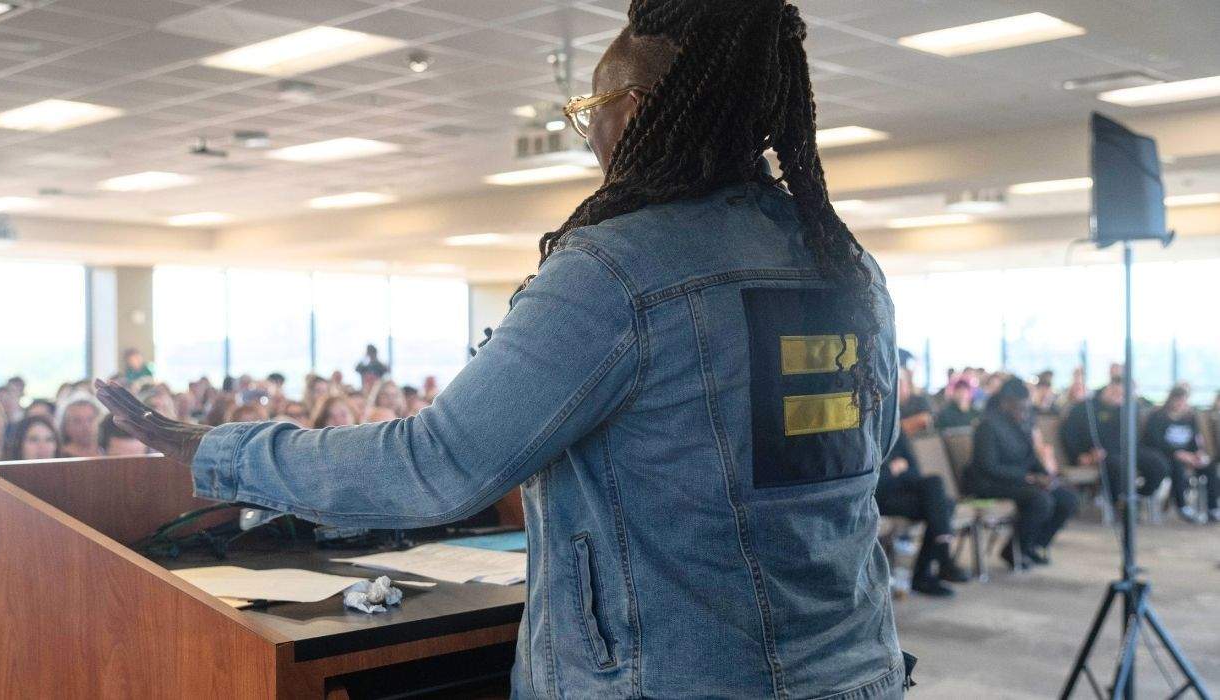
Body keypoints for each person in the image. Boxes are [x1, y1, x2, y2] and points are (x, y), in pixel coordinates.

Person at [95, 2, 907, 697]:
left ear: (640, 107)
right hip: (851, 666)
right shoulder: (846, 263)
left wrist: (223, 451)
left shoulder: (616, 270)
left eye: (593, 100)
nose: (591, 125)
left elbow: (434, 466)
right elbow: (866, 452)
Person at [968, 379, 1079, 568]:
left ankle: (1034, 545)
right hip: (991, 484)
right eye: (1019, 408)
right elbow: (988, 467)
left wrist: (1045, 475)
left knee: (1068, 499)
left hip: (1020, 481)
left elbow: (1030, 458)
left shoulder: (1021, 424)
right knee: (1041, 501)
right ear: (1005, 404)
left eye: (1026, 408)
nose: (1023, 413)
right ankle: (1014, 550)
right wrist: (1028, 478)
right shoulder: (987, 426)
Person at [876, 376, 968, 596]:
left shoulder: (894, 428)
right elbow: (871, 479)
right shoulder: (870, 430)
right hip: (880, 497)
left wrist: (898, 470)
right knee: (942, 506)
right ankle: (928, 570)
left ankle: (934, 565)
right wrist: (892, 469)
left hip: (902, 491)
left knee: (937, 489)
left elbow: (914, 471)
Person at [1060, 381, 1169, 506]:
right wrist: (1079, 455)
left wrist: (1124, 408)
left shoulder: (1126, 409)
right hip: (1098, 454)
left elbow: (1132, 436)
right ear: (1107, 389)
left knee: (1158, 463)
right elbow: (1069, 435)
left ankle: (1139, 495)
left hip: (1126, 449)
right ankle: (1119, 504)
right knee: (1117, 466)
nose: (1118, 397)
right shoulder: (1083, 408)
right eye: (1115, 393)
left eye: (1122, 394)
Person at [1142, 385, 1218, 522]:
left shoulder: (1190, 418)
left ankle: (1213, 507)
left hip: (1188, 456)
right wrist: (1178, 453)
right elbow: (1154, 441)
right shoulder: (1157, 416)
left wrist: (1197, 454)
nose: (1181, 404)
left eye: (1184, 401)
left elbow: (1194, 440)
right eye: (1178, 400)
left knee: (1209, 466)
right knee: (1178, 466)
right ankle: (1182, 506)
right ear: (1171, 399)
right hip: (1165, 456)